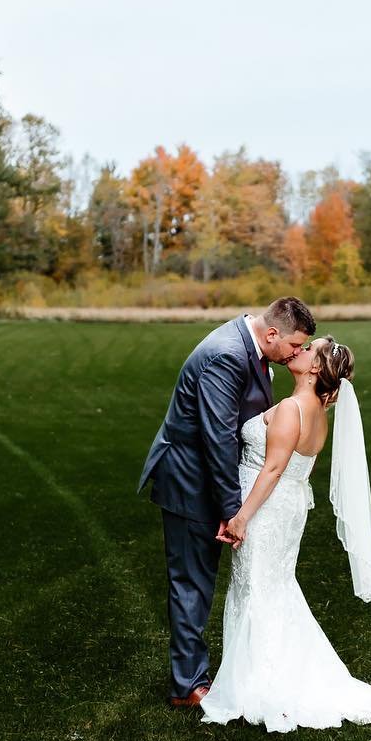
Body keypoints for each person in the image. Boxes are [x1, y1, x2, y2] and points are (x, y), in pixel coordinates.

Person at [200, 336, 371, 732]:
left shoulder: (291, 408)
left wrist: (241, 518)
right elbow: (301, 471)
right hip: (288, 508)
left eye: (307, 350)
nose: (297, 352)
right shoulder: (319, 412)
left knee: (256, 588)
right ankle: (268, 672)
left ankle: (260, 684)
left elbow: (272, 470)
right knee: (274, 586)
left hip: (266, 510)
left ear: (316, 368)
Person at [138, 297, 315, 707]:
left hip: (207, 480)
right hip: (189, 482)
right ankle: (188, 687)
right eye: (293, 346)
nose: (296, 354)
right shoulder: (226, 355)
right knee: (190, 583)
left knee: (198, 581)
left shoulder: (252, 347)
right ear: (272, 333)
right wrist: (232, 509)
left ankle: (201, 676)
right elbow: (216, 438)